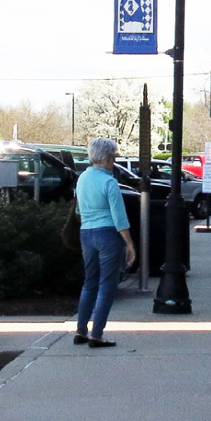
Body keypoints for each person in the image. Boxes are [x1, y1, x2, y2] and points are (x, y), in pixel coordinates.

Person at [74, 137, 137, 348]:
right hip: (108, 233)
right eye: (113, 156)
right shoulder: (109, 182)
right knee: (107, 285)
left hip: (86, 232)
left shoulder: (82, 178)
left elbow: (78, 211)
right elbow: (119, 217)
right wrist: (129, 243)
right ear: (108, 158)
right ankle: (97, 333)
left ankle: (81, 330)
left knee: (89, 282)